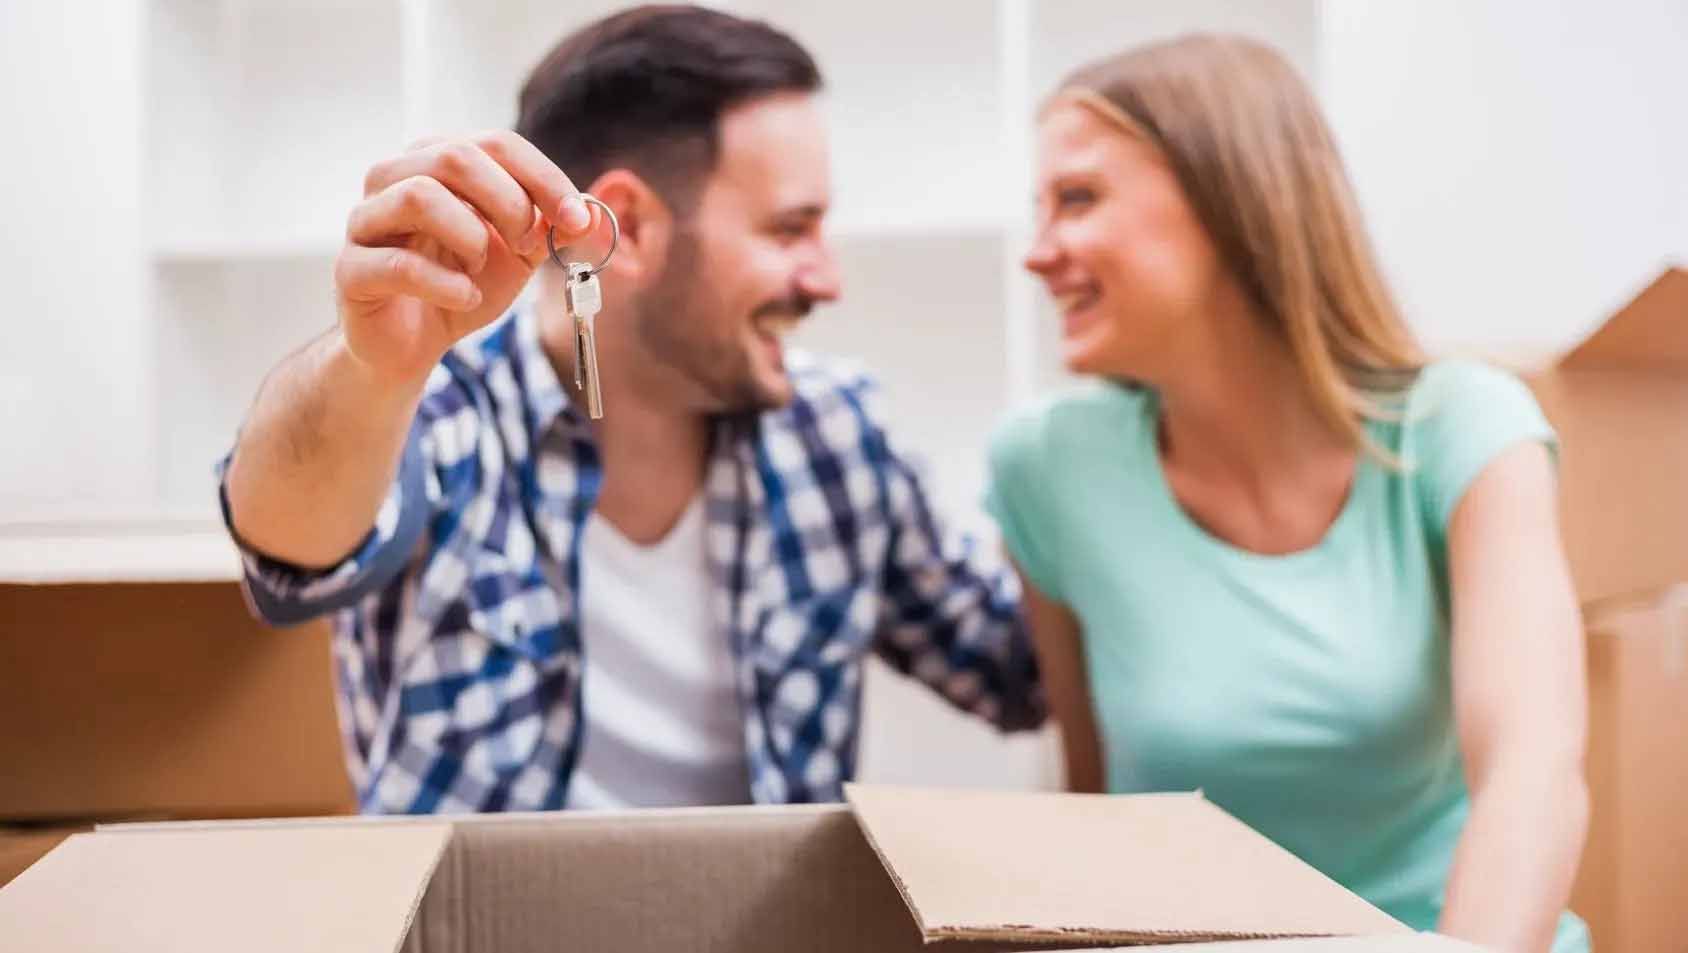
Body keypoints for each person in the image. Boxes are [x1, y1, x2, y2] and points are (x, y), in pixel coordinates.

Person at [218, 4, 1041, 814]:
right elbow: (286, 553)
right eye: (792, 229)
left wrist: (1112, 443)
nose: (828, 280)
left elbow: (1019, 671)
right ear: (633, 229)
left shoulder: (837, 432)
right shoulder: (435, 413)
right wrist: (371, 370)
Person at [987, 34, 1588, 953]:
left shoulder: (1463, 428)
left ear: (1232, 196)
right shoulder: (1045, 469)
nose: (1039, 254)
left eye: (1078, 199)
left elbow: (1532, 773)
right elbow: (1091, 803)